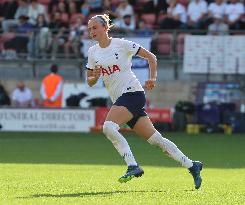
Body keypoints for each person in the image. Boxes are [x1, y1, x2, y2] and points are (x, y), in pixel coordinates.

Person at [86, 14, 203, 189]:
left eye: (95, 27)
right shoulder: (92, 52)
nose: (91, 31)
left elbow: (151, 57)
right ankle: (192, 165)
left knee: (108, 127)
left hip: (133, 94)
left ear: (105, 28)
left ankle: (132, 166)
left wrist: (152, 78)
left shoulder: (121, 44)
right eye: (89, 29)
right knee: (156, 140)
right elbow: (90, 80)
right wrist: (94, 77)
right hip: (121, 99)